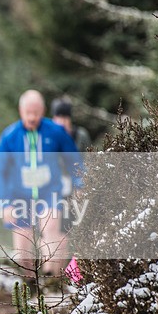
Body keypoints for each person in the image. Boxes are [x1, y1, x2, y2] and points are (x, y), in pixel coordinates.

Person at [0, 90, 82, 279]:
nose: (32, 117)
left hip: (50, 192)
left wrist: (79, 183)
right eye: (28, 112)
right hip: (19, 196)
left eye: (36, 112)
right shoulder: (10, 136)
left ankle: (51, 281)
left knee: (50, 230)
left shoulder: (55, 132)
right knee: (22, 249)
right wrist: (4, 203)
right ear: (20, 110)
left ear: (43, 111)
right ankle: (31, 288)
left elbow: (73, 160)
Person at [51, 97, 91, 233]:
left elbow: (87, 161)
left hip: (77, 189)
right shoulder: (49, 138)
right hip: (55, 190)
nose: (62, 121)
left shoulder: (81, 136)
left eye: (65, 117)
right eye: (58, 117)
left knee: (76, 227)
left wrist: (81, 184)